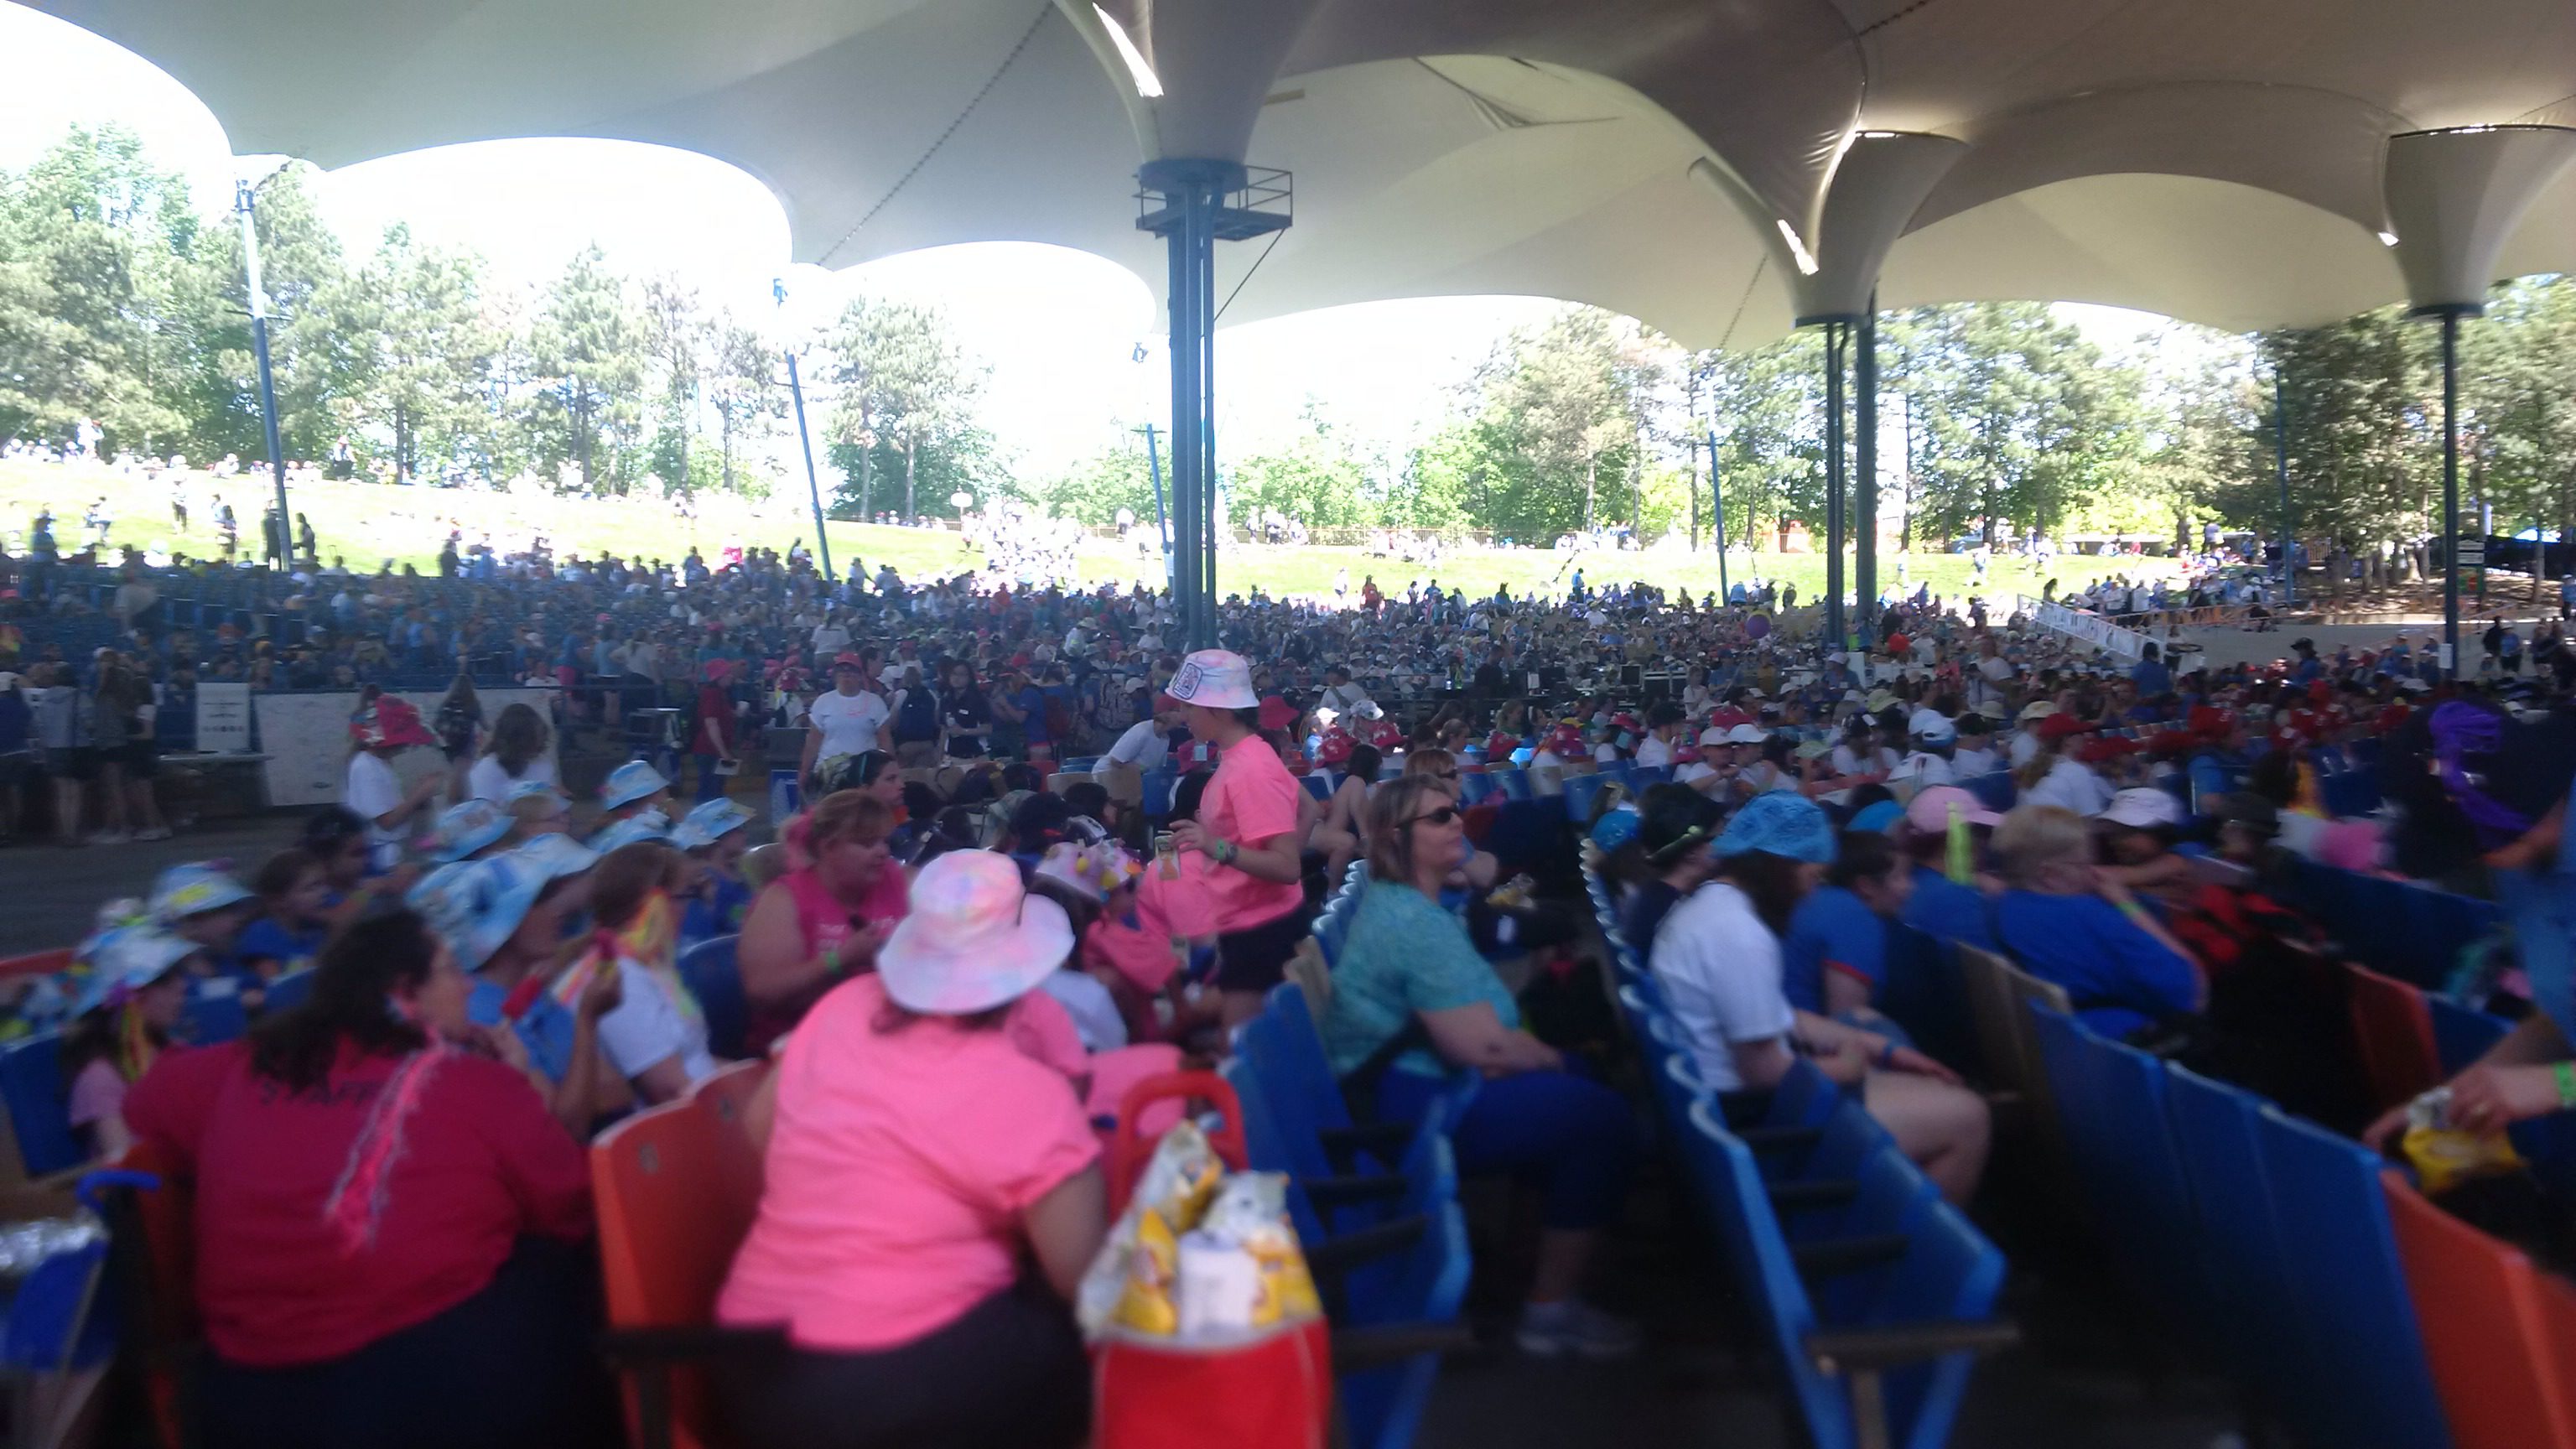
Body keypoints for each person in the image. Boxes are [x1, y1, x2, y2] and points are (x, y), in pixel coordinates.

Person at [123, 910, 615, 1449]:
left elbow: (143, 1106)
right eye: (450, 969)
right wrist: (520, 1085)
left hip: (243, 1398)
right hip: (425, 1393)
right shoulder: (477, 1084)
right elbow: (569, 1207)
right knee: (561, 1265)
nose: (468, 984)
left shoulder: (243, 1064)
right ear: (406, 993)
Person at [717, 850, 1104, 1449]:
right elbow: (1080, 1276)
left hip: (757, 1380)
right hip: (908, 1387)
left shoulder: (837, 1010)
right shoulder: (1028, 1093)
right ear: (1021, 974)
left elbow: (758, 1135)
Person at [1321, 774, 1640, 1358]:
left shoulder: (1413, 906)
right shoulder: (1409, 922)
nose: (1457, 823)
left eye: (1456, 811)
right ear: (1398, 838)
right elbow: (1483, 1049)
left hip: (1427, 1083)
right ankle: (1548, 1311)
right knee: (1602, 1116)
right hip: (1419, 1105)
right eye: (1440, 817)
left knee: (1580, 1087)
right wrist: (1546, 1059)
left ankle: (1528, 1262)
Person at [1651, 792, 1988, 1202]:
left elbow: (1777, 1017)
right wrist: (1851, 1065)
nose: (1811, 896)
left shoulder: (1705, 909)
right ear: (1781, 865)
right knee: (1968, 1116)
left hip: (1735, 1106)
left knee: (1900, 1063)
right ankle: (1901, 1254)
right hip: (1762, 1120)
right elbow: (1763, 1071)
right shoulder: (1737, 932)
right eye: (1811, 879)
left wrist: (1876, 1047)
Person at [1164, 650, 1310, 1026]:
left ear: (1220, 711)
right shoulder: (1249, 756)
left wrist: (1215, 847)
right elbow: (1307, 809)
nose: (1184, 717)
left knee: (1246, 1055)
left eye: (1190, 708)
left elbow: (1287, 866)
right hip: (1254, 925)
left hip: (1261, 931)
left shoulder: (1249, 770)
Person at [1989, 805, 2204, 1041]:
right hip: (2125, 1049)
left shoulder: (2002, 905)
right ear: (2049, 875)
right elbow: (2193, 994)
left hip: (2062, 1044)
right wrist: (2127, 904)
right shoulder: (2092, 917)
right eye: (2083, 865)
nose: (2092, 873)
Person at [739, 790, 909, 1052]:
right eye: (867, 844)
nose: (882, 852)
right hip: (799, 1044)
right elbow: (763, 992)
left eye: (885, 842)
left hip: (881, 1034)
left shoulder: (893, 879)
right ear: (828, 847)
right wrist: (839, 959)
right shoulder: (782, 900)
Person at [63, 925, 197, 1161]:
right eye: (163, 979)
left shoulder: (175, 1050)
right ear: (130, 1000)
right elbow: (124, 1164)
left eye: (179, 974)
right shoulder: (100, 1078)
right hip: (153, 1189)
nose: (182, 985)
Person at [345, 699, 444, 872]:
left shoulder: (378, 763)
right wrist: (420, 793)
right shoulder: (367, 767)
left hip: (389, 850)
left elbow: (390, 811)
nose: (407, 745)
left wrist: (419, 793)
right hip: (378, 857)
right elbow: (387, 822)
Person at [802, 653, 893, 797]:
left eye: (851, 669)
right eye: (841, 670)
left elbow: (885, 741)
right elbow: (813, 742)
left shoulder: (875, 702)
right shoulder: (823, 702)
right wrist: (804, 772)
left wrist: (890, 772)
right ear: (835, 676)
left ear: (859, 675)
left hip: (863, 774)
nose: (846, 673)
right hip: (829, 774)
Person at [238, 849, 335, 979]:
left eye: (323, 884)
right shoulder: (261, 933)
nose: (325, 892)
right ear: (278, 901)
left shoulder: (316, 929)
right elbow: (275, 985)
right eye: (311, 888)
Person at [468, 702, 555, 803]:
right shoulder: (489, 768)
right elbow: (481, 813)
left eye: (541, 737)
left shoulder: (543, 764)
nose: (537, 745)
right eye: (531, 739)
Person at [693, 660, 741, 802]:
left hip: (713, 750)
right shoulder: (711, 694)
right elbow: (711, 724)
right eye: (728, 673)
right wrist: (723, 752)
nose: (731, 676)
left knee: (715, 790)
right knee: (709, 792)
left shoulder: (720, 693)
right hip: (709, 751)